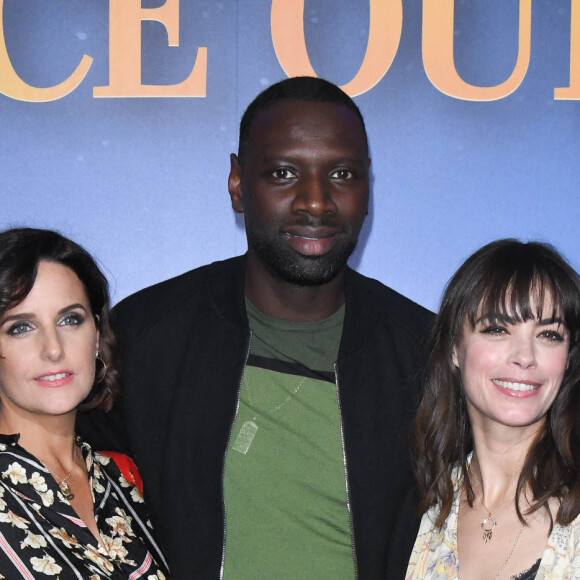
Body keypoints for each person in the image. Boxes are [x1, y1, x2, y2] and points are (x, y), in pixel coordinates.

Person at [78, 76, 433, 579]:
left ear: (367, 185)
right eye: (284, 173)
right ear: (239, 184)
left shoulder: (427, 354)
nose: (316, 202)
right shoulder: (145, 336)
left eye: (343, 174)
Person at [0, 228, 169, 579]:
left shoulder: (123, 478)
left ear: (96, 335)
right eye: (20, 327)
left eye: (70, 319)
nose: (53, 348)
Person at [406, 239, 580, 579]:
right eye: (497, 329)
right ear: (455, 348)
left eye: (548, 335)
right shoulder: (423, 507)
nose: (525, 357)